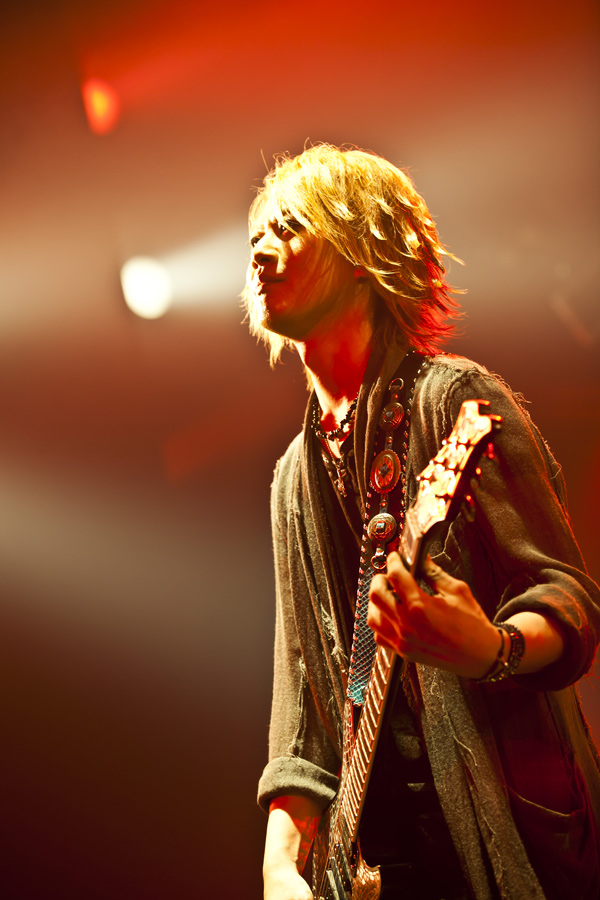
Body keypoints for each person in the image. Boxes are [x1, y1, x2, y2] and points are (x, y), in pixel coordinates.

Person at [242, 144, 600, 900]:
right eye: (255, 236)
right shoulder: (292, 480)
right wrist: (280, 864)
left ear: (362, 252)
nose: (261, 251)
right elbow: (301, 706)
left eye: (290, 227)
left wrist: (494, 649)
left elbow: (568, 598)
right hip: (377, 861)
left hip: (502, 826)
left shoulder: (454, 402)